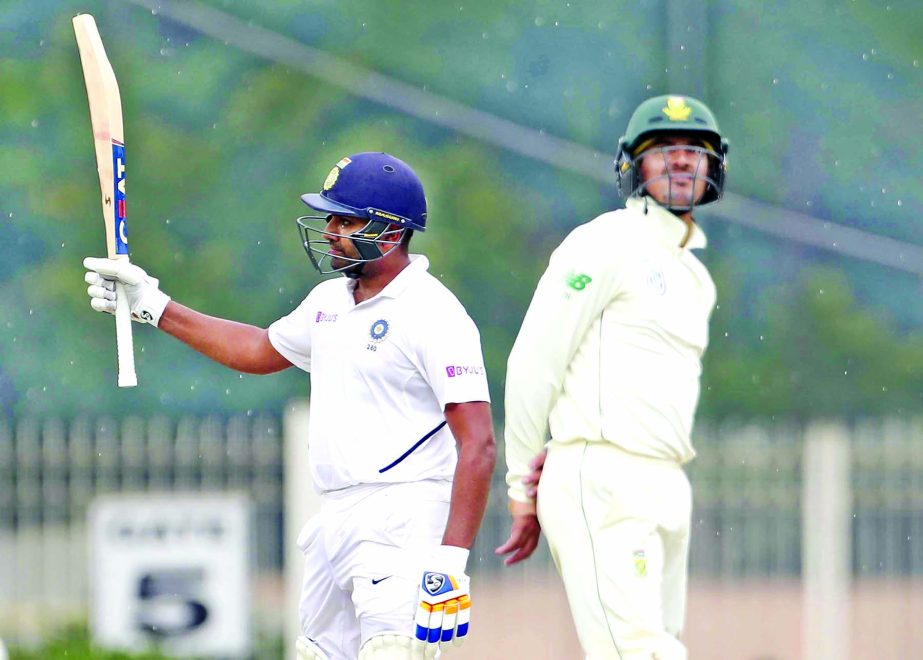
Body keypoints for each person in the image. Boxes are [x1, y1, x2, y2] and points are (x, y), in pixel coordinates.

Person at [83, 152, 496, 660]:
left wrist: (451, 561)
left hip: (405, 515)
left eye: (345, 220)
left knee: (394, 651)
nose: (329, 231)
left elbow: (477, 444)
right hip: (336, 515)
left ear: (389, 233)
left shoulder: (433, 313)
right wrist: (155, 305)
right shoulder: (329, 300)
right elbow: (260, 351)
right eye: (330, 217)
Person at [496, 95, 729, 659]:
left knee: (664, 647)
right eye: (663, 151)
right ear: (632, 166)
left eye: (693, 152)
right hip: (602, 472)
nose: (679, 162)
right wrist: (521, 488)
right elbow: (534, 362)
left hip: (668, 480)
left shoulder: (697, 278)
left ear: (714, 167)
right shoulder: (603, 243)